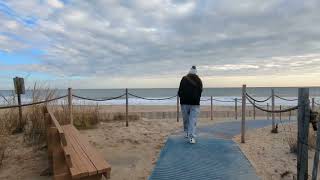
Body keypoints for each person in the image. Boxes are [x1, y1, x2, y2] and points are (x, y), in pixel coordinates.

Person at [178, 66, 203, 144]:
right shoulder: (199, 80)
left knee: (186, 119)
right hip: (195, 103)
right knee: (192, 120)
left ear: (189, 71)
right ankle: (191, 137)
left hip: (184, 102)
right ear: (196, 72)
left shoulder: (184, 79)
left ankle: (186, 132)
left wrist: (181, 96)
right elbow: (200, 91)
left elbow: (180, 90)